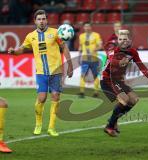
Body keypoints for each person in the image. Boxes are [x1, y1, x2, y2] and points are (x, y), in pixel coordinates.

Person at [8, 9, 73, 137]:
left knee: (55, 97)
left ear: (46, 20)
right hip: (41, 72)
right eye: (39, 19)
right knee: (42, 98)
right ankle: (38, 124)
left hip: (56, 72)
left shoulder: (55, 33)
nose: (42, 21)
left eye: (43, 19)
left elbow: (64, 47)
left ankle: (51, 128)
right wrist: (14, 52)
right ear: (35, 21)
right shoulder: (30, 36)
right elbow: (22, 48)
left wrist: (70, 65)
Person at [101, 30, 148, 137]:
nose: (122, 41)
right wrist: (120, 62)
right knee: (124, 100)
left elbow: (142, 67)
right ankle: (110, 126)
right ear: (117, 40)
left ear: (129, 40)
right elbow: (112, 62)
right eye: (120, 39)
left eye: (125, 39)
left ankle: (114, 119)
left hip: (118, 81)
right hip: (107, 80)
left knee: (134, 100)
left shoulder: (132, 52)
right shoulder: (114, 51)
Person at [78, 22, 102, 98]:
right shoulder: (81, 36)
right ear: (83, 28)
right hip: (85, 59)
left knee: (95, 76)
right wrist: (79, 55)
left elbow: (100, 45)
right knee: (83, 75)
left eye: (88, 26)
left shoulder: (96, 35)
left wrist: (96, 49)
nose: (87, 28)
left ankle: (96, 92)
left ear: (91, 27)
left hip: (94, 59)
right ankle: (81, 92)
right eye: (85, 26)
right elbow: (80, 47)